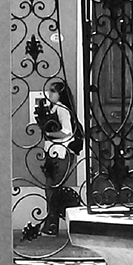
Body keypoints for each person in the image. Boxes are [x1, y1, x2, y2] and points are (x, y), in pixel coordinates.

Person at [37, 79, 84, 234]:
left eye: (53, 91)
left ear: (60, 94)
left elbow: (67, 131)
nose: (49, 94)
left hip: (60, 153)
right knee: (51, 188)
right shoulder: (54, 108)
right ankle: (52, 223)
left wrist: (49, 133)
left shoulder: (61, 109)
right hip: (54, 153)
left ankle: (52, 224)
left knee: (52, 188)